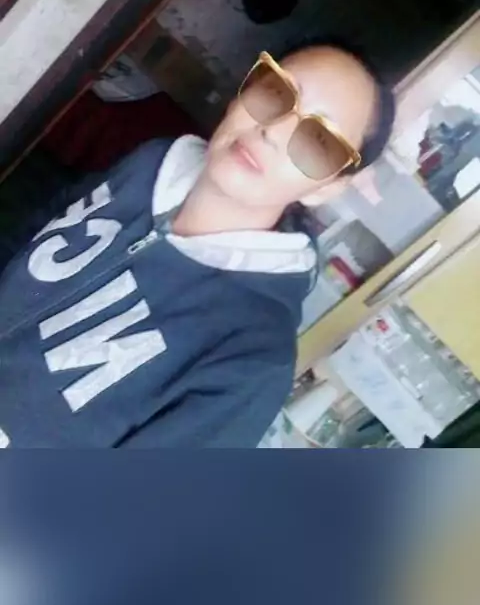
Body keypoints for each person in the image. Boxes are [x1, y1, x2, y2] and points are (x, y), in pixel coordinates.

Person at [0, 37, 395, 448]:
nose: (272, 130)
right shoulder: (152, 162)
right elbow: (35, 229)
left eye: (318, 141)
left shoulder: (251, 357)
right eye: (277, 91)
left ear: (326, 188)